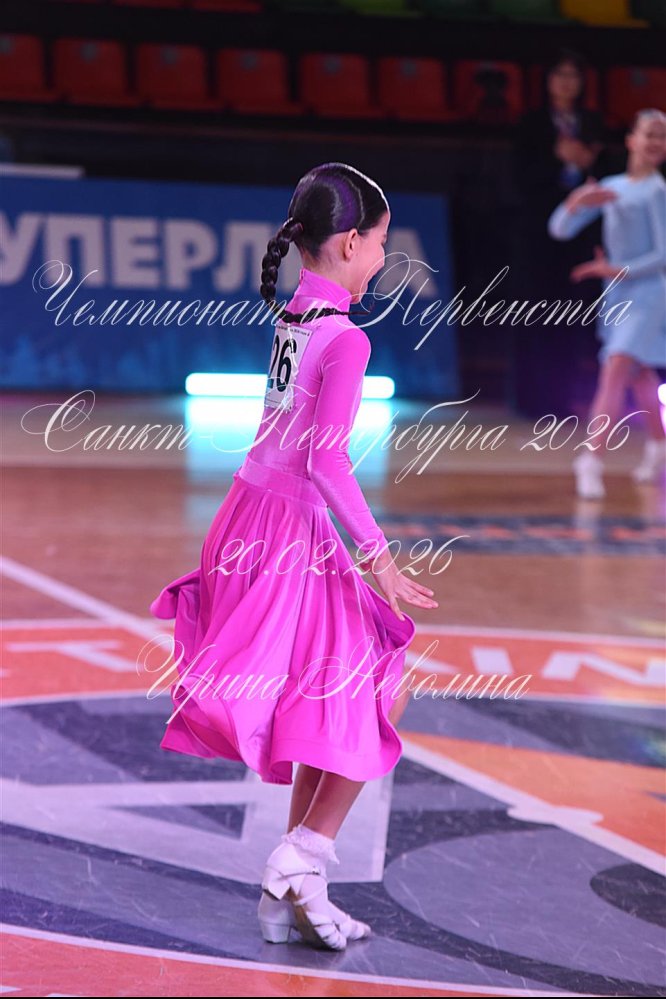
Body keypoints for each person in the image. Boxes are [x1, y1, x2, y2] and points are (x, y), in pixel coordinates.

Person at [149, 163, 439, 950]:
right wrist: (379, 556)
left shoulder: (296, 316)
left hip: (251, 515)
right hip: (288, 533)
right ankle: (305, 852)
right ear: (349, 243)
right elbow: (326, 459)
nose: (383, 256)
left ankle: (290, 894)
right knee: (380, 683)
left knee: (324, 699)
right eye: (380, 242)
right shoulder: (347, 336)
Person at [547, 108, 666, 499]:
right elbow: (559, 230)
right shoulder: (615, 187)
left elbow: (663, 255)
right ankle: (660, 445)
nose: (655, 141)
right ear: (631, 139)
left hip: (649, 293)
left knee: (615, 367)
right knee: (640, 374)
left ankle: (591, 458)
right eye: (649, 133)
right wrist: (576, 201)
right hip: (617, 294)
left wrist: (615, 269)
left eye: (662, 136)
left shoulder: (657, 191)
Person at [509, 48, 609, 418]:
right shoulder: (532, 123)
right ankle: (529, 399)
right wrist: (558, 159)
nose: (567, 83)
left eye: (573, 75)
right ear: (548, 81)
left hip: (580, 235)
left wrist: (587, 163)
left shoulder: (593, 123)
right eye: (560, 74)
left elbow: (607, 176)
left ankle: (564, 400)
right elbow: (518, 178)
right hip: (537, 232)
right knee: (534, 312)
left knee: (572, 315)